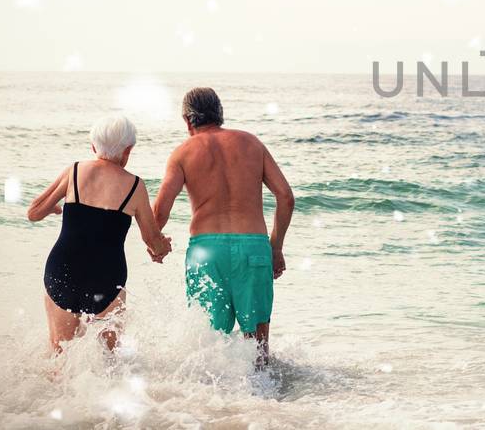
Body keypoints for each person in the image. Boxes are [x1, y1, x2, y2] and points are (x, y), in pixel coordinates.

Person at [154, 87, 295, 366]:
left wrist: (154, 243)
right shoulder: (252, 143)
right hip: (253, 248)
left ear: (187, 120)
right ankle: (263, 400)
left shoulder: (182, 153)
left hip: (207, 252)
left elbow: (160, 211)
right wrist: (275, 248)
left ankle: (211, 404)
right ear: (220, 114)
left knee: (208, 343)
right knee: (257, 344)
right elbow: (286, 197)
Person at [27, 114, 172, 353]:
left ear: (93, 146)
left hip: (63, 273)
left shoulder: (74, 172)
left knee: (58, 357)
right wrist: (162, 248)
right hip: (106, 280)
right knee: (109, 362)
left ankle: (53, 391)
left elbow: (33, 212)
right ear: (128, 150)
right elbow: (152, 240)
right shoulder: (135, 186)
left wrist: (54, 208)